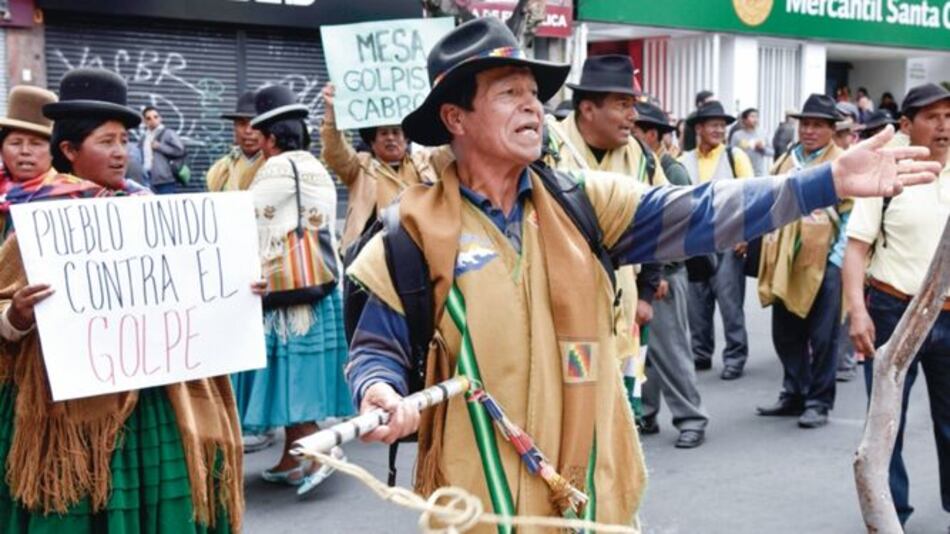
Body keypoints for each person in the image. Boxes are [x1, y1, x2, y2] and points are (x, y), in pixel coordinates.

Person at [343, 17, 938, 528]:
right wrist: (378, 390)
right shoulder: (412, 232)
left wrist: (825, 182)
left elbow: (703, 211)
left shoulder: (582, 203)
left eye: (533, 93)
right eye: (508, 93)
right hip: (480, 503)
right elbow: (376, 348)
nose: (532, 106)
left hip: (591, 493)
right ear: (455, 117)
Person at [0, 67, 243, 532]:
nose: (119, 153)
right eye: (106, 141)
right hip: (70, 413)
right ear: (69, 150)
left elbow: (194, 288)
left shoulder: (149, 210)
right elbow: (2, 304)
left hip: (156, 402)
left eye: (124, 141)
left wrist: (238, 287)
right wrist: (18, 314)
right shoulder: (41, 217)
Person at [234, 84, 353, 495]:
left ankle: (321, 450)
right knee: (299, 374)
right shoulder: (316, 167)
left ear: (270, 138)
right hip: (318, 286)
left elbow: (248, 219)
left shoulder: (277, 168)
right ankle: (292, 458)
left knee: (291, 377)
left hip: (286, 295)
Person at [843, 82, 950, 528]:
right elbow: (855, 248)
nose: (943, 126)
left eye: (949, 116)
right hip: (893, 312)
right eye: (932, 117)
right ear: (906, 125)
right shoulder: (888, 171)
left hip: (949, 316)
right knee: (887, 427)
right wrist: (857, 311)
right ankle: (891, 517)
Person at [545, 55, 667, 388]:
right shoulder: (548, 146)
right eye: (623, 105)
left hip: (625, 310)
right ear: (587, 109)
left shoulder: (640, 156)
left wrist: (646, 292)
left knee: (624, 402)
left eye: (634, 105)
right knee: (581, 395)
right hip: (569, 314)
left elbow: (660, 220)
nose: (634, 115)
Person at [755, 94, 850, 428]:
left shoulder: (842, 162)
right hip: (785, 258)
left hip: (826, 259)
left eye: (818, 125)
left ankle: (819, 401)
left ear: (832, 129)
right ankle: (794, 392)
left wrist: (838, 260)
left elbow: (852, 213)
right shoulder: (787, 159)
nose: (809, 131)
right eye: (805, 124)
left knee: (823, 337)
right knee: (785, 332)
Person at [633, 100, 710, 448]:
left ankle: (691, 418)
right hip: (640, 274)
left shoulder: (671, 171)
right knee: (643, 353)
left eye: (636, 131)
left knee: (671, 350)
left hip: (666, 275)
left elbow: (680, 230)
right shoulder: (636, 164)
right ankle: (646, 413)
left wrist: (659, 273)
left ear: (652, 135)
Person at [320, 83, 448, 253]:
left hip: (422, 248)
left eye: (396, 132)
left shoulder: (427, 162)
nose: (390, 138)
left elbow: (454, 149)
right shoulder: (359, 167)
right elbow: (334, 151)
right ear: (372, 142)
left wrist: (446, 99)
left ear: (406, 139)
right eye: (383, 133)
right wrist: (331, 113)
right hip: (371, 253)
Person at [680, 100, 754, 380]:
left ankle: (735, 357)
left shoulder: (735, 157)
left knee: (730, 303)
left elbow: (751, 196)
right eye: (713, 125)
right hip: (694, 243)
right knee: (697, 305)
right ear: (699, 128)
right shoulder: (683, 160)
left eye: (722, 126)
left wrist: (746, 234)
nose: (719, 130)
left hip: (728, 239)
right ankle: (701, 353)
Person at [0, 86, 58, 240]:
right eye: (15, 143)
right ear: (1, 150)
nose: (25, 151)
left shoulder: (71, 194)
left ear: (53, 152)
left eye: (36, 143)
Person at [206, 91, 265, 193]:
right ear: (234, 128)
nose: (248, 131)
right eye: (242, 124)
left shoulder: (276, 165)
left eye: (255, 125)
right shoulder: (220, 170)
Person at [140, 105, 185, 194]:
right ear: (144, 121)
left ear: (160, 118)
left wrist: (160, 146)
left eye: (155, 117)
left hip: (165, 180)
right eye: (148, 118)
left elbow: (180, 151)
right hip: (147, 180)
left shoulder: (168, 133)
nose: (153, 120)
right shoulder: (144, 137)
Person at [730, 107, 774, 176]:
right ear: (744, 120)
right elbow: (731, 154)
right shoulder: (737, 135)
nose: (755, 119)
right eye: (752, 117)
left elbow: (772, 152)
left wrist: (762, 149)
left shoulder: (763, 133)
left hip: (759, 173)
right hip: (742, 172)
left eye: (757, 117)